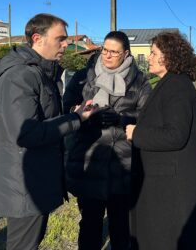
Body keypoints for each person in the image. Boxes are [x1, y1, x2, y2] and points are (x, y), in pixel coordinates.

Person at [0, 13, 96, 250]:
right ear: (38, 38)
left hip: (36, 180)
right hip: (24, 186)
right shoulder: (20, 76)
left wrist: (73, 113)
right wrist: (75, 119)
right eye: (60, 39)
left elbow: (45, 119)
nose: (66, 44)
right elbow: (26, 133)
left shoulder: (41, 73)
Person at [63, 30, 151, 250]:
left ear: (126, 54)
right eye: (105, 50)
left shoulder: (140, 82)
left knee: (121, 228)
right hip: (89, 160)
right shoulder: (84, 76)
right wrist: (85, 115)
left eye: (114, 52)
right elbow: (66, 108)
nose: (108, 56)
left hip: (123, 164)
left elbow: (148, 117)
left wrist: (122, 119)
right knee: (89, 225)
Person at [126, 31, 196, 250]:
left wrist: (135, 134)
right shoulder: (171, 83)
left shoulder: (176, 86)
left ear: (169, 57)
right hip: (165, 183)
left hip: (169, 189)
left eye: (153, 53)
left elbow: (175, 134)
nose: (149, 57)